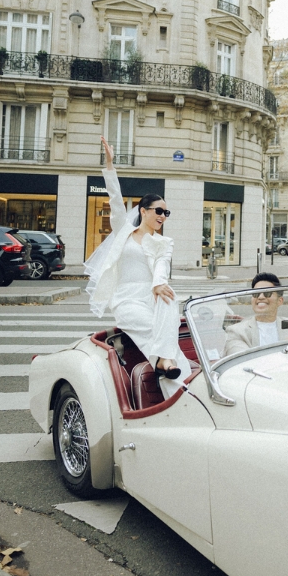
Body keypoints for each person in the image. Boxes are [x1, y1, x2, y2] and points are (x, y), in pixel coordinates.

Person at [84, 137, 190, 398]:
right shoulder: (124, 231)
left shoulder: (163, 242)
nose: (163, 217)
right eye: (159, 211)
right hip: (126, 298)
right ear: (143, 211)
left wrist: (158, 283)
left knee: (169, 301)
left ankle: (166, 367)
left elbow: (162, 266)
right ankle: (169, 366)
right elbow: (115, 199)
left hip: (151, 294)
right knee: (152, 328)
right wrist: (110, 166)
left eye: (167, 213)